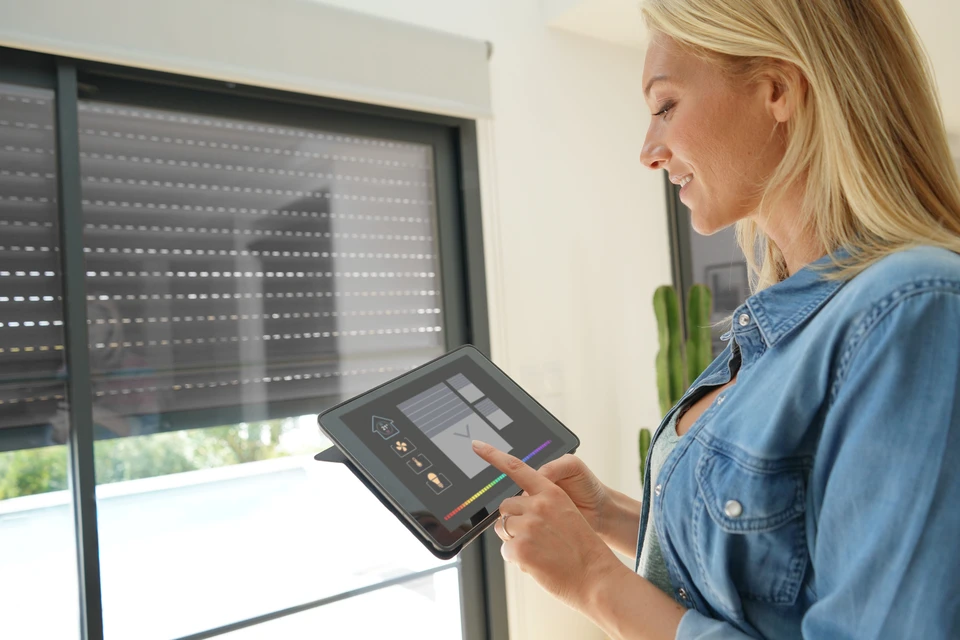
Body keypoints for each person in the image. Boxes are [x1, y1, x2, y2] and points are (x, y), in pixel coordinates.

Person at [471, 0, 960, 637]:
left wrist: (595, 580)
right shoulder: (785, 322)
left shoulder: (911, 307)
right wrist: (613, 516)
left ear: (777, 88)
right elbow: (784, 546)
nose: (648, 150)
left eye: (665, 105)